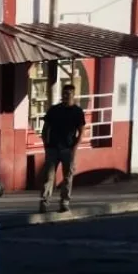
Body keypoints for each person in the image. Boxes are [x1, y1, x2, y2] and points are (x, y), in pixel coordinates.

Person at [40, 83, 86, 213]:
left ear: (73, 95)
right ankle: (44, 202)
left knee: (67, 177)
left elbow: (82, 131)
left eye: (68, 94)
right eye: (64, 94)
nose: (65, 96)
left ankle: (64, 202)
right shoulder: (54, 110)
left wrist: (75, 148)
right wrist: (46, 145)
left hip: (68, 148)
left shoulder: (77, 112)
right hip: (53, 148)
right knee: (48, 176)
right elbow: (45, 129)